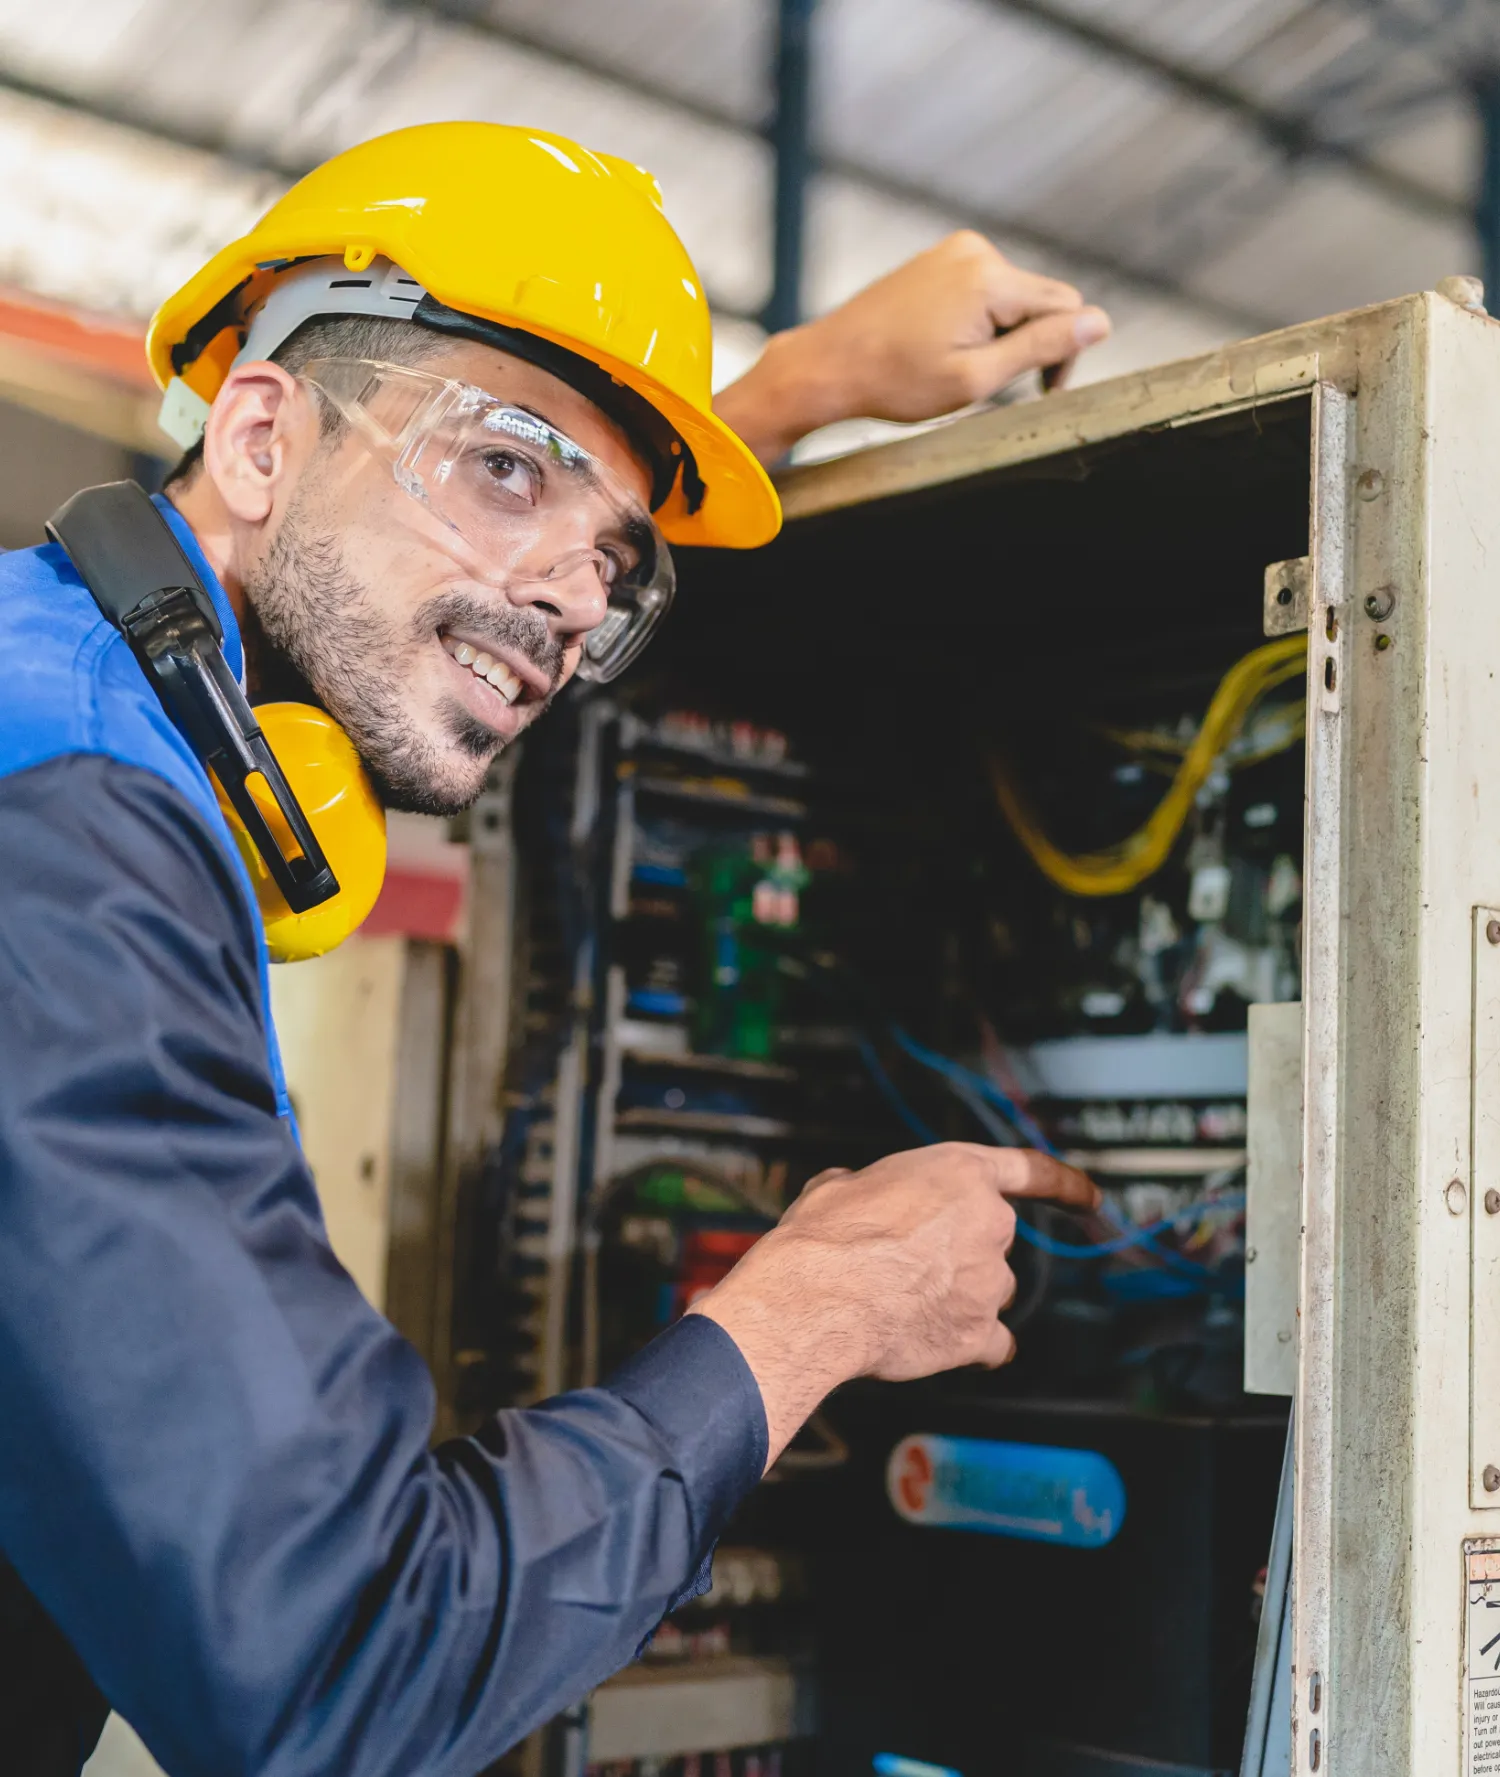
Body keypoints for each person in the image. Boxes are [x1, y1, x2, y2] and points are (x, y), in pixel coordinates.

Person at [0, 122, 1105, 1777]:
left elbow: (463, 545)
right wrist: (817, 1303)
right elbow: (342, 1665)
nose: (569, 603)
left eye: (614, 560)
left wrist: (789, 387)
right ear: (255, 434)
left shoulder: (62, 697)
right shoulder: (71, 854)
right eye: (508, 466)